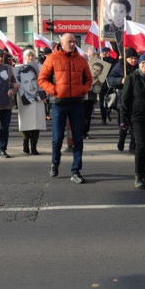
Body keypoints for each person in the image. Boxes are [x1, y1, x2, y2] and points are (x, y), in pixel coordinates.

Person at [38, 33, 92, 183]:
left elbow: (89, 79)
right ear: (61, 43)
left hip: (76, 104)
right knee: (57, 138)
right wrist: (55, 90)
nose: (73, 44)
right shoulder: (52, 59)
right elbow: (41, 79)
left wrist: (83, 90)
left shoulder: (81, 60)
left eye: (74, 41)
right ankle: (55, 163)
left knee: (78, 139)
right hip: (59, 104)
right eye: (70, 41)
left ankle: (76, 170)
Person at [120, 52, 145, 188]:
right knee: (141, 145)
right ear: (139, 64)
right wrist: (123, 118)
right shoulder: (132, 78)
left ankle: (143, 174)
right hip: (136, 117)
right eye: (143, 63)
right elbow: (124, 100)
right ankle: (138, 175)